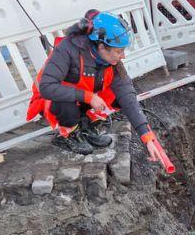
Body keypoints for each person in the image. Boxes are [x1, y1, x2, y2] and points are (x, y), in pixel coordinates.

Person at [27, 10, 159, 161]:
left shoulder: (110, 61)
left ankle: (84, 128)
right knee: (67, 105)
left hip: (78, 97)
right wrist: (88, 97)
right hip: (50, 100)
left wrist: (146, 136)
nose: (123, 56)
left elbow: (127, 96)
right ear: (102, 47)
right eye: (119, 51)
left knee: (117, 97)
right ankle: (69, 135)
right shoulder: (67, 50)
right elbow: (47, 87)